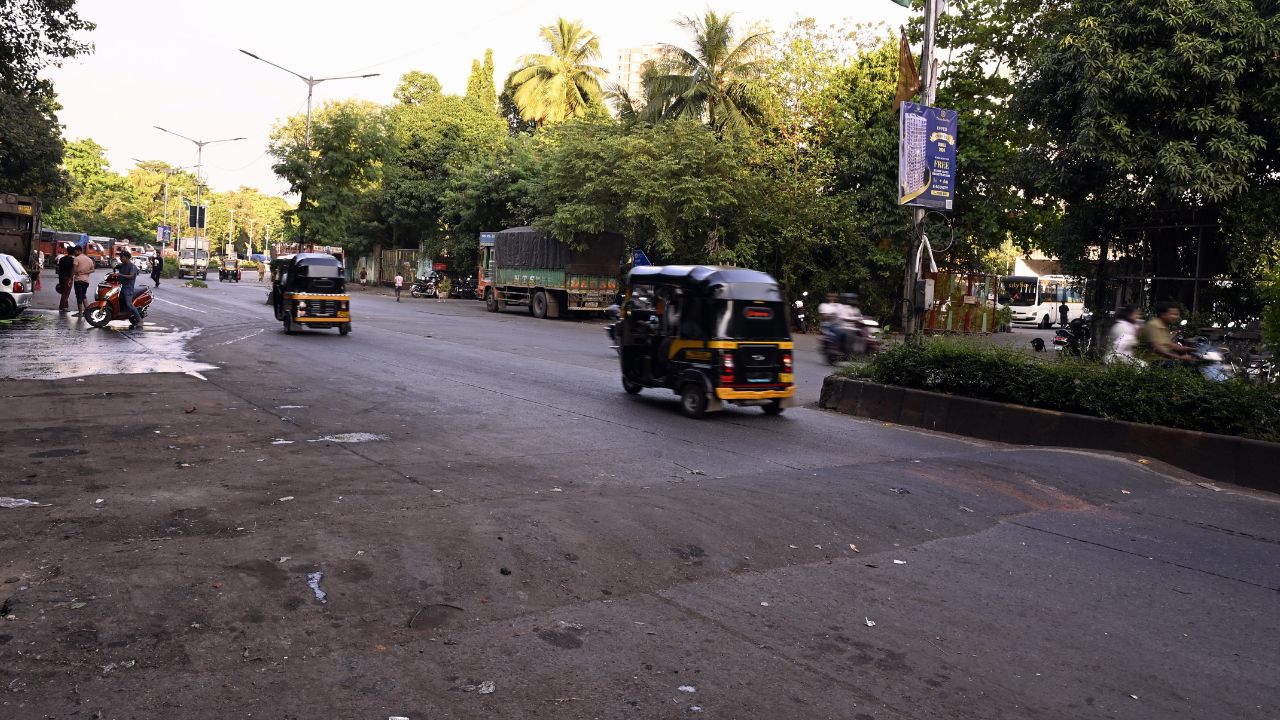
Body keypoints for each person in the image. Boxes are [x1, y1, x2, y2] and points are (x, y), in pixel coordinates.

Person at [1138, 301, 1193, 366]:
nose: (1177, 317)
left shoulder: (1164, 326)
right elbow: (1158, 349)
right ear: (1163, 315)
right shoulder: (1153, 325)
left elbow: (1170, 345)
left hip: (1162, 360)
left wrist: (1192, 349)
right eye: (1173, 314)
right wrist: (1180, 358)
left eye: (1177, 314)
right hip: (1152, 362)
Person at [114, 250, 143, 327]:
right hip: (120, 287)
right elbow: (114, 267)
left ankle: (139, 319)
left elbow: (131, 276)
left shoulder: (132, 267)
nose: (120, 259)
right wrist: (114, 266)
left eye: (122, 257)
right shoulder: (122, 265)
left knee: (129, 304)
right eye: (120, 257)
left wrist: (121, 275)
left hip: (128, 288)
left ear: (127, 258)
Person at [70, 245, 94, 317]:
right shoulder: (89, 259)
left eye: (75, 252)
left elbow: (74, 270)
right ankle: (87, 312)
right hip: (86, 281)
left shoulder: (76, 259)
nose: (74, 253)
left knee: (79, 296)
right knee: (83, 296)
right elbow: (93, 270)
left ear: (78, 251)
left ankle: (80, 313)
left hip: (78, 280)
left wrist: (71, 278)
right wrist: (85, 272)